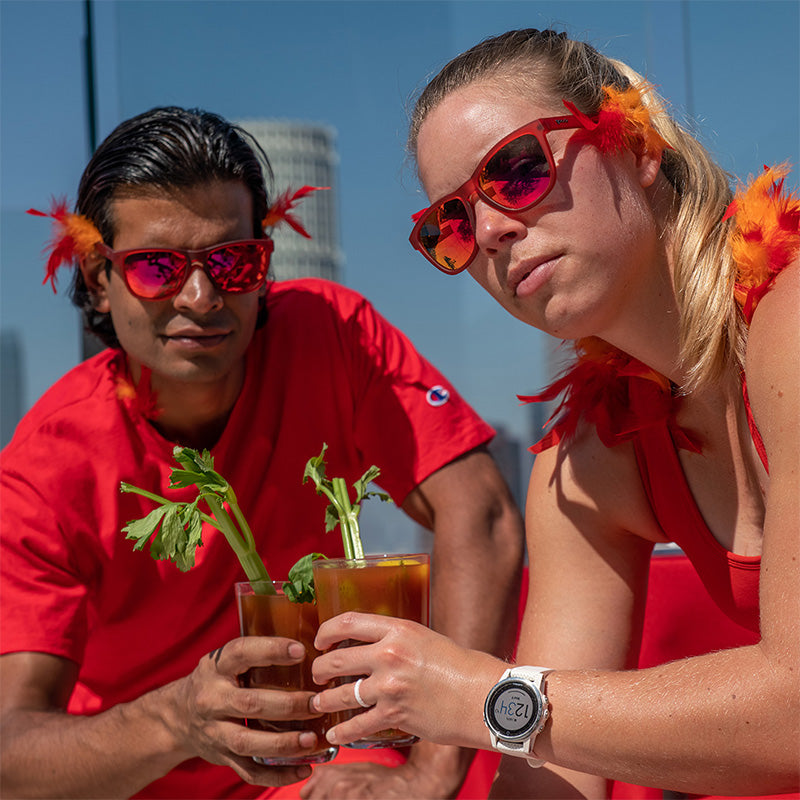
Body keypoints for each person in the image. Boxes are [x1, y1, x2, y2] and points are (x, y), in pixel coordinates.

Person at [308, 28, 800, 798]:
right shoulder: (590, 459)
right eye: (454, 226)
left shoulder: (793, 321)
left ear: (635, 142)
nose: (495, 232)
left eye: (517, 170)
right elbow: (548, 785)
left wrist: (477, 696)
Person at [0, 106, 525, 799]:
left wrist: (433, 769)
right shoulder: (46, 462)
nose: (201, 296)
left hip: (321, 770)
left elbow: (481, 516)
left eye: (230, 260)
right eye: (156, 266)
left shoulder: (333, 334)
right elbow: (10, 749)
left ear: (263, 261)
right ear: (98, 277)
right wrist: (178, 719)